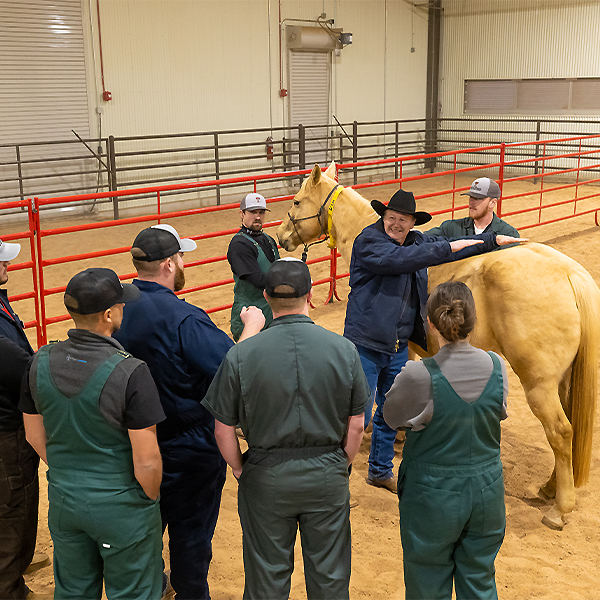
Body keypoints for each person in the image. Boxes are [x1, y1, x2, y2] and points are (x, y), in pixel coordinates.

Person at [202, 258, 369, 600]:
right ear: (310, 295)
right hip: (326, 472)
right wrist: (342, 463)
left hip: (266, 475)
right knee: (330, 577)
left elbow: (223, 429)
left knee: (266, 578)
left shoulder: (241, 356)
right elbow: (356, 425)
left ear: (265, 296)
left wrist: (239, 468)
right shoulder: (344, 350)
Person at [114, 223, 262, 600]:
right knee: (191, 537)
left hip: (131, 443)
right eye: (180, 257)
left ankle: (152, 586)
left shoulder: (114, 311)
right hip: (187, 445)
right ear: (167, 264)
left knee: (143, 528)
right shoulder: (185, 318)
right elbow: (233, 368)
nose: (183, 263)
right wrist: (252, 327)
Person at [343, 188, 522, 493]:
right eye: (392, 217)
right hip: (366, 343)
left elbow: (450, 246)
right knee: (356, 413)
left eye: (403, 220)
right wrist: (449, 248)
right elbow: (402, 260)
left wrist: (490, 241)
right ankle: (337, 478)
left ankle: (380, 469)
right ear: (383, 216)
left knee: (389, 410)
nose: (396, 224)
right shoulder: (369, 242)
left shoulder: (415, 241)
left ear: (412, 223)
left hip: (398, 342)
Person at [20, 268, 165, 600]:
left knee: (72, 590)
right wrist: (148, 500)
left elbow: (33, 434)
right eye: (120, 305)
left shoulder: (39, 362)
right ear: (109, 314)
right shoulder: (132, 372)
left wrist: (71, 470)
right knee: (134, 591)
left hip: (64, 500)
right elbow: (147, 461)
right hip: (121, 505)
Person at [384, 281, 508, 600]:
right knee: (480, 578)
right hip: (487, 493)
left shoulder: (418, 374)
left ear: (431, 322)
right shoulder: (498, 367)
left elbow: (391, 418)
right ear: (473, 320)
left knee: (427, 579)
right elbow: (499, 411)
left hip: (432, 496)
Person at [0, 239, 40, 600]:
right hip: (6, 430)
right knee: (13, 512)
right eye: (2, 262)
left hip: (9, 422)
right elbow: (19, 367)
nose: (7, 266)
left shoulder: (0, 302)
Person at [227, 192, 280, 341]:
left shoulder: (269, 240)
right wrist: (287, 277)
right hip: (249, 316)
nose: (258, 217)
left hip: (271, 315)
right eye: (252, 212)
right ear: (241, 214)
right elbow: (257, 280)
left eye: (261, 212)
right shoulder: (239, 245)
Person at [425, 177, 519, 237]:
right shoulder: (450, 228)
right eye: (471, 197)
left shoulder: (508, 234)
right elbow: (423, 238)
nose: (471, 202)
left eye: (478, 198)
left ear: (492, 203)